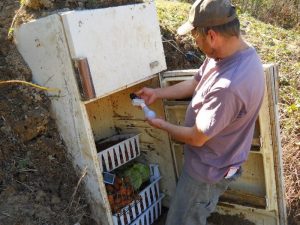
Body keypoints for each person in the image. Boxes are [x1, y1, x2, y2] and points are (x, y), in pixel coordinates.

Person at [136, 0, 265, 224]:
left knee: (181, 220)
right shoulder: (229, 53)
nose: (196, 43)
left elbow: (197, 138)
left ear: (212, 36)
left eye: (196, 37)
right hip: (214, 162)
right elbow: (197, 81)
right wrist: (157, 93)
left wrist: (161, 125)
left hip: (206, 172)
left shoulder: (230, 86)